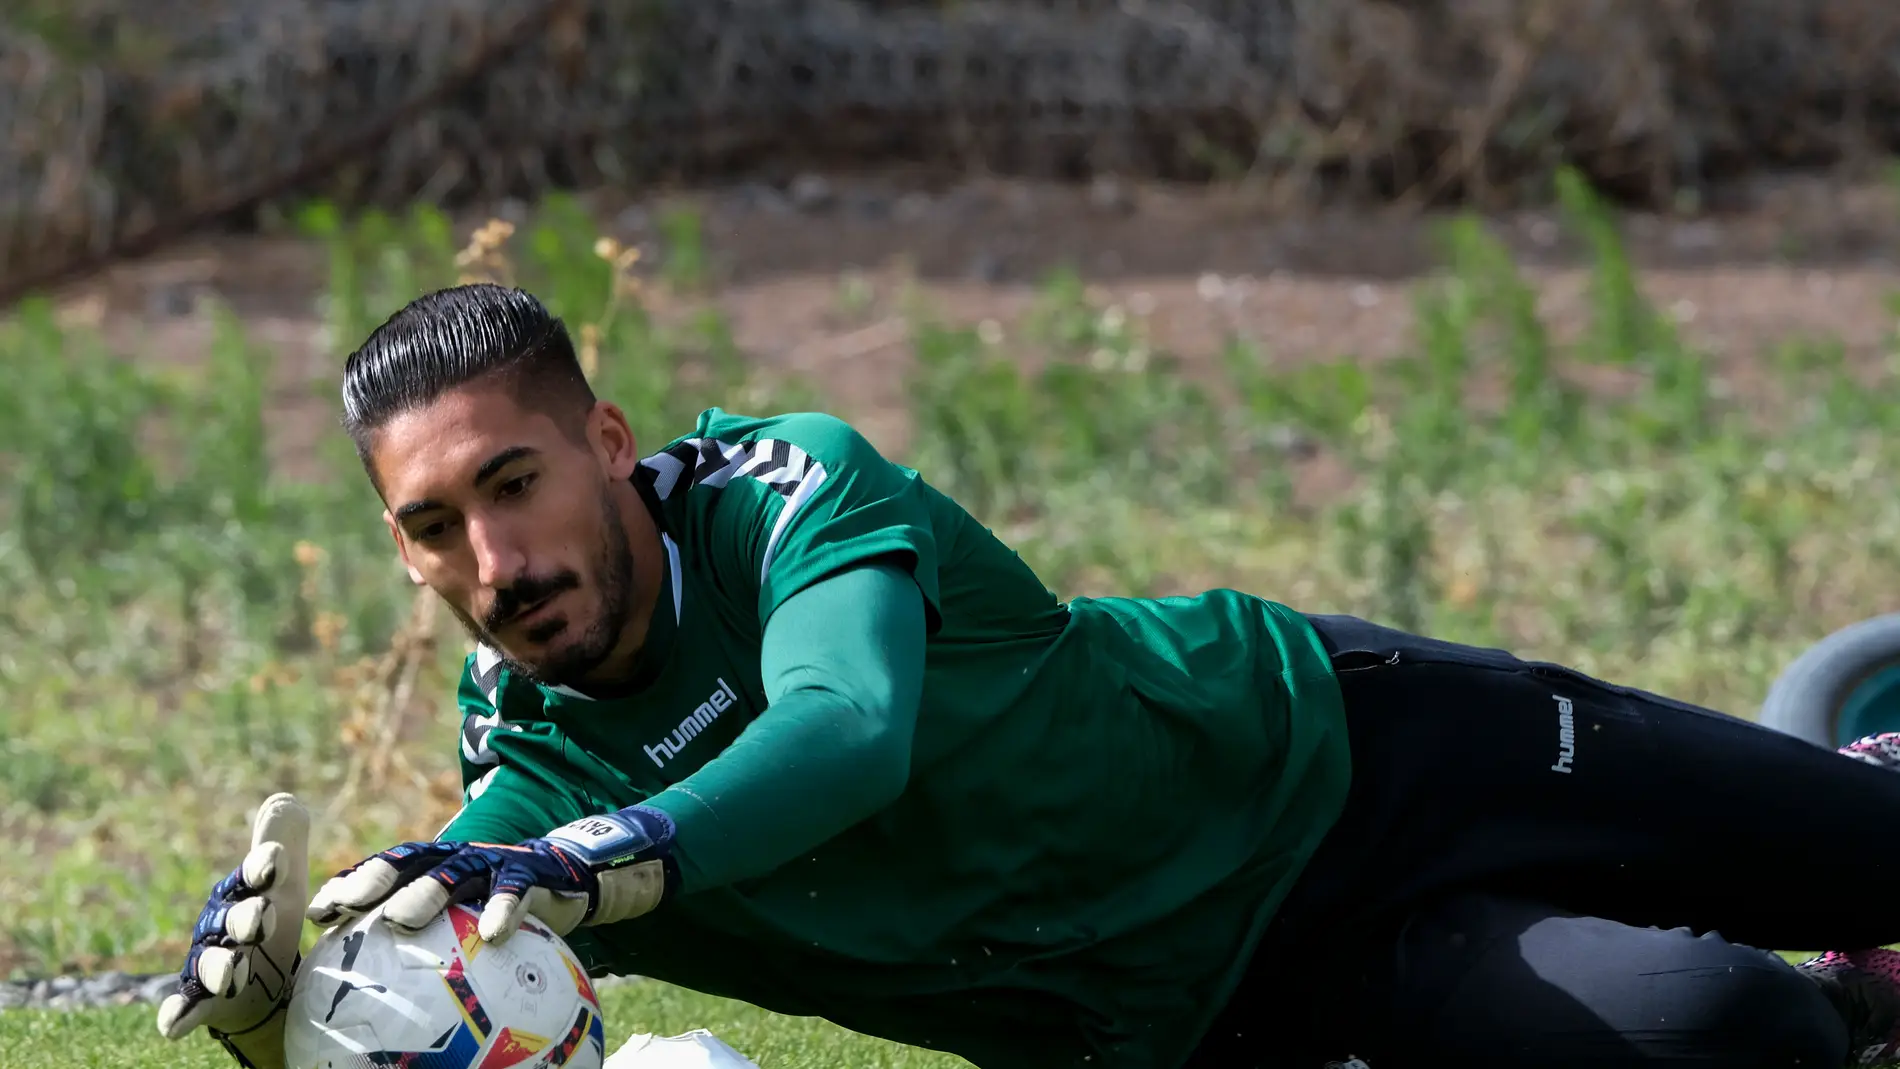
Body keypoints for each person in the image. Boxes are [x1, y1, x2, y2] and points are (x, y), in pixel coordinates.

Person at [155, 282, 1900, 1069]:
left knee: (1869, 850)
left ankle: (1846, 764)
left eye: (513, 484)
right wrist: (281, 1019)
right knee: (1745, 1034)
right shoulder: (522, 772)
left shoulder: (786, 488)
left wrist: (603, 858)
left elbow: (848, 730)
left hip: (1347, 757)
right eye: (433, 527)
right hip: (1251, 1006)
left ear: (604, 441)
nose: (493, 565)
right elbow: (461, 979)